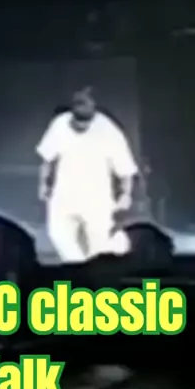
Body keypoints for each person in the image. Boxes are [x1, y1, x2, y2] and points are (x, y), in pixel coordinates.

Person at [36, 85, 138, 262]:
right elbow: (47, 158)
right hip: (64, 195)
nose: (81, 126)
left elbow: (124, 167)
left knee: (99, 245)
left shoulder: (108, 130)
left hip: (96, 198)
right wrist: (43, 183)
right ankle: (77, 267)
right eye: (77, 121)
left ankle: (93, 272)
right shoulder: (60, 124)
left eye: (85, 122)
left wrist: (126, 194)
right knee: (58, 233)